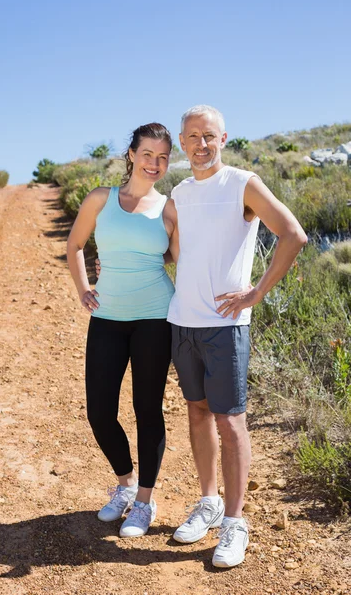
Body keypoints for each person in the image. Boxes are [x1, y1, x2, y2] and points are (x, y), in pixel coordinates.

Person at [167, 105, 308, 568]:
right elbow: (180, 254)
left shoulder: (243, 183)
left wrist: (255, 293)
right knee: (197, 413)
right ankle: (208, 503)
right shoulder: (181, 192)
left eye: (209, 136)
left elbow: (293, 234)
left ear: (223, 138)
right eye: (192, 137)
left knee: (231, 423)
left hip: (226, 327)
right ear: (182, 143)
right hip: (183, 323)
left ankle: (233, 523)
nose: (201, 145)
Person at [66, 123, 178, 538]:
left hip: (154, 316)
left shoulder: (169, 208)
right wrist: (84, 289)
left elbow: (179, 258)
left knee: (147, 410)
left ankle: (144, 502)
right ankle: (126, 482)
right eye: (148, 154)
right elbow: (75, 245)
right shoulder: (101, 199)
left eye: (163, 157)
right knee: (99, 412)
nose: (155, 163)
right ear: (131, 154)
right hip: (108, 317)